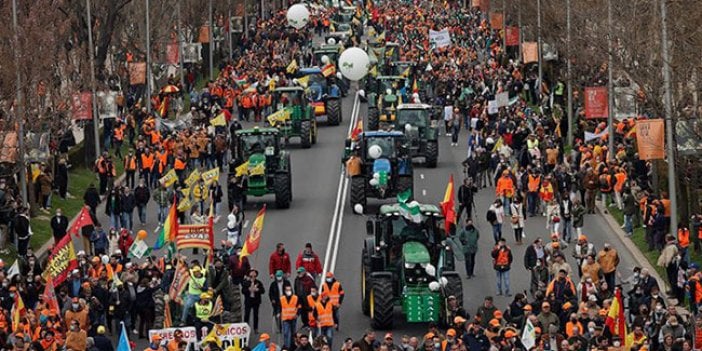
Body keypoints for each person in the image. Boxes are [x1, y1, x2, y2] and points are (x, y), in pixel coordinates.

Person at [242, 269, 265, 333]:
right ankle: (245, 328)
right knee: (247, 315)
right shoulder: (246, 282)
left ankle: (256, 328)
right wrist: (248, 289)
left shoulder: (258, 282)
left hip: (256, 301)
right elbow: (243, 291)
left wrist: (257, 290)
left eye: (254, 275)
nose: (253, 277)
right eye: (251, 275)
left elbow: (263, 291)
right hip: (248, 301)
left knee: (256, 315)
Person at [280, 285, 300, 350]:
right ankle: (287, 347)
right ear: (285, 291)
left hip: (293, 318)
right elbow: (279, 306)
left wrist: (297, 314)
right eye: (287, 290)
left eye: (289, 290)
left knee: (293, 333)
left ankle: (292, 345)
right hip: (285, 319)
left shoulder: (295, 298)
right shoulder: (282, 298)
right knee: (286, 333)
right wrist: (277, 312)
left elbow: (299, 306)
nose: (288, 291)